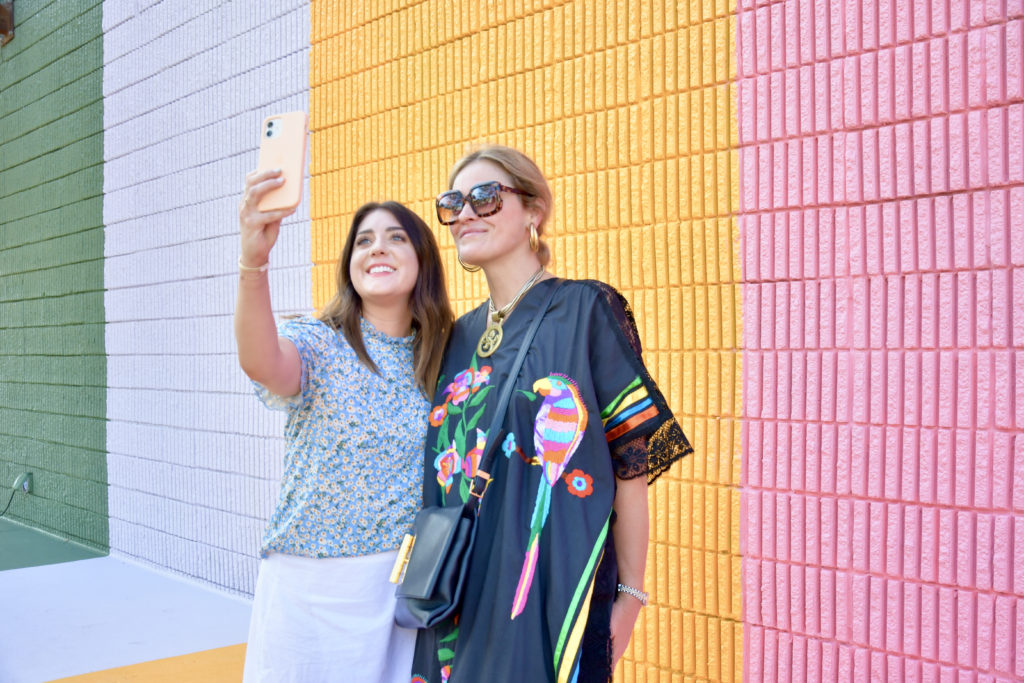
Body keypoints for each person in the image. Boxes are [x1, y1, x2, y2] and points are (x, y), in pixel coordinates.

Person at [409, 145, 693, 683]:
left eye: (485, 197)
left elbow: (631, 464)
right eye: (453, 202)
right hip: (453, 596)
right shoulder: (456, 338)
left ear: (534, 210)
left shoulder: (586, 309)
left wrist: (630, 596)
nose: (465, 212)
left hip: (550, 590)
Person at [235, 168, 453, 682]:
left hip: (402, 592)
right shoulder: (318, 341)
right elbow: (263, 363)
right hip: (311, 591)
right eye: (364, 241)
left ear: (422, 262)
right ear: (350, 265)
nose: (377, 248)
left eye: (396, 238)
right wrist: (253, 263)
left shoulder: (445, 357)